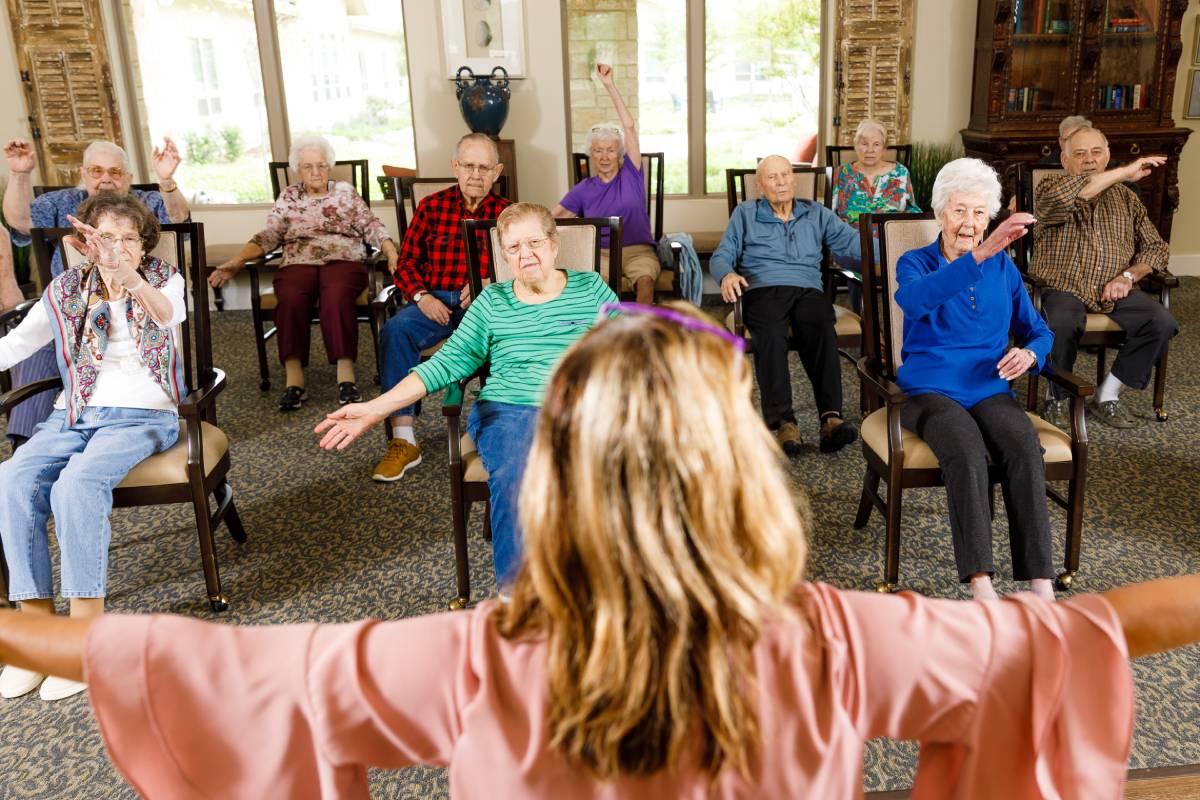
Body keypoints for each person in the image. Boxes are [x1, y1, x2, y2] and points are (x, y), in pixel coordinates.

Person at [2, 304, 1199, 797]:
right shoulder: (839, 638)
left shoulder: (476, 656)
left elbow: (222, 672)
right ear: (740, 465)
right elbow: (1078, 631)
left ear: (556, 471)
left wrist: (15, 621)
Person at [316, 203, 617, 591]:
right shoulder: (492, 301)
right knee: (517, 478)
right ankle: (517, 600)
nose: (525, 254)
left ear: (554, 244)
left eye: (534, 243)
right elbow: (445, 364)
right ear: (503, 255)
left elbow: (630, 347)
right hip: (511, 408)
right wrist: (376, 409)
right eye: (513, 248)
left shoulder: (589, 287)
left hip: (581, 406)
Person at [0, 193, 185, 702]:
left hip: (145, 411)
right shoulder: (66, 288)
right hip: (75, 411)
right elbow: (20, 343)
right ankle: (39, 636)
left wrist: (127, 276)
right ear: (86, 241)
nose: (118, 246)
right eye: (107, 236)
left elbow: (167, 316)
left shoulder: (163, 279)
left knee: (77, 485)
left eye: (129, 237)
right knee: (11, 478)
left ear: (143, 242)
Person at [894, 158, 1056, 602]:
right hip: (928, 389)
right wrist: (983, 254)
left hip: (988, 385)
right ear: (940, 213)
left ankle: (1040, 581)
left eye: (980, 213)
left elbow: (1040, 331)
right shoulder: (916, 263)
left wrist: (1029, 353)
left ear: (990, 218)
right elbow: (915, 302)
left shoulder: (1003, 270)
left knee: (1024, 446)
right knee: (965, 452)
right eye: (960, 210)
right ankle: (980, 581)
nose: (970, 223)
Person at [0, 138, 185, 448]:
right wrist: (19, 174)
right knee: (37, 346)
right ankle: (28, 446)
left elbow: (178, 219)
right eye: (96, 171)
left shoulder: (146, 202)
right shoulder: (60, 203)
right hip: (72, 312)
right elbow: (20, 223)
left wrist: (166, 181)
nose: (105, 179)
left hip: (138, 314)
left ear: (128, 176)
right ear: (83, 174)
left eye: (115, 171)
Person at [209, 136, 399, 410]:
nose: (315, 172)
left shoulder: (345, 192)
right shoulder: (288, 196)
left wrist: (390, 251)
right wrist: (237, 260)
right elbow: (270, 234)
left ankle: (346, 377)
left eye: (321, 165)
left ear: (329, 166)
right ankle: (294, 381)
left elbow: (370, 224)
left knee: (335, 295)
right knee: (290, 297)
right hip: (298, 261)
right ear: (298, 168)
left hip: (343, 259)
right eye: (308, 167)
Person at [373, 132, 511, 483]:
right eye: (468, 165)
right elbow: (405, 264)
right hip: (433, 300)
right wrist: (422, 296)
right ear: (455, 167)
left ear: (496, 172)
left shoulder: (508, 214)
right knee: (395, 331)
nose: (475, 174)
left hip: (482, 305)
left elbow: (518, 265)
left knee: (506, 339)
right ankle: (404, 441)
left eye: (484, 167)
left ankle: (494, 430)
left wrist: (487, 283)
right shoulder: (431, 207)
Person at [709, 154, 859, 456]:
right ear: (760, 186)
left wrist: (902, 246)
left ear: (794, 179)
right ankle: (784, 423)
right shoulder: (746, 213)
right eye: (772, 177)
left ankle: (831, 418)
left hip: (807, 289)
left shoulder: (816, 213)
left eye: (786, 174)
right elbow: (722, 254)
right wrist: (726, 274)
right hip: (763, 288)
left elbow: (855, 243)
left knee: (820, 322)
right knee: (771, 336)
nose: (781, 182)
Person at [1032, 126, 1177, 429]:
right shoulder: (1050, 188)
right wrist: (1125, 172)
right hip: (1062, 286)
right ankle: (1056, 396)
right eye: (1080, 153)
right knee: (1061, 321)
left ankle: (1107, 395)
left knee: (1161, 321)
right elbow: (1078, 191)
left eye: (1096, 152)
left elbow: (1155, 247)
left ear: (1107, 156)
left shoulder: (1127, 199)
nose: (1089, 159)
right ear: (1064, 159)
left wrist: (1128, 276)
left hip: (1113, 289)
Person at [552, 63, 659, 305]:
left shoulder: (632, 174)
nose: (604, 156)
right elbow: (553, 217)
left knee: (645, 281)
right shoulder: (584, 189)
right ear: (592, 154)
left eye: (610, 150)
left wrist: (609, 85)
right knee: (592, 288)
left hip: (638, 250)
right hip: (599, 255)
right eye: (598, 150)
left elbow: (629, 127)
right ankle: (602, 337)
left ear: (620, 153)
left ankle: (640, 335)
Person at [830, 119, 921, 312]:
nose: (870, 149)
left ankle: (896, 318)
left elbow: (912, 209)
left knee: (895, 256)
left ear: (884, 147)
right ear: (855, 146)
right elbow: (830, 215)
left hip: (889, 237)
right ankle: (865, 320)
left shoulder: (900, 173)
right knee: (866, 256)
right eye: (864, 144)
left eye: (876, 144)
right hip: (850, 240)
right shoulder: (842, 174)